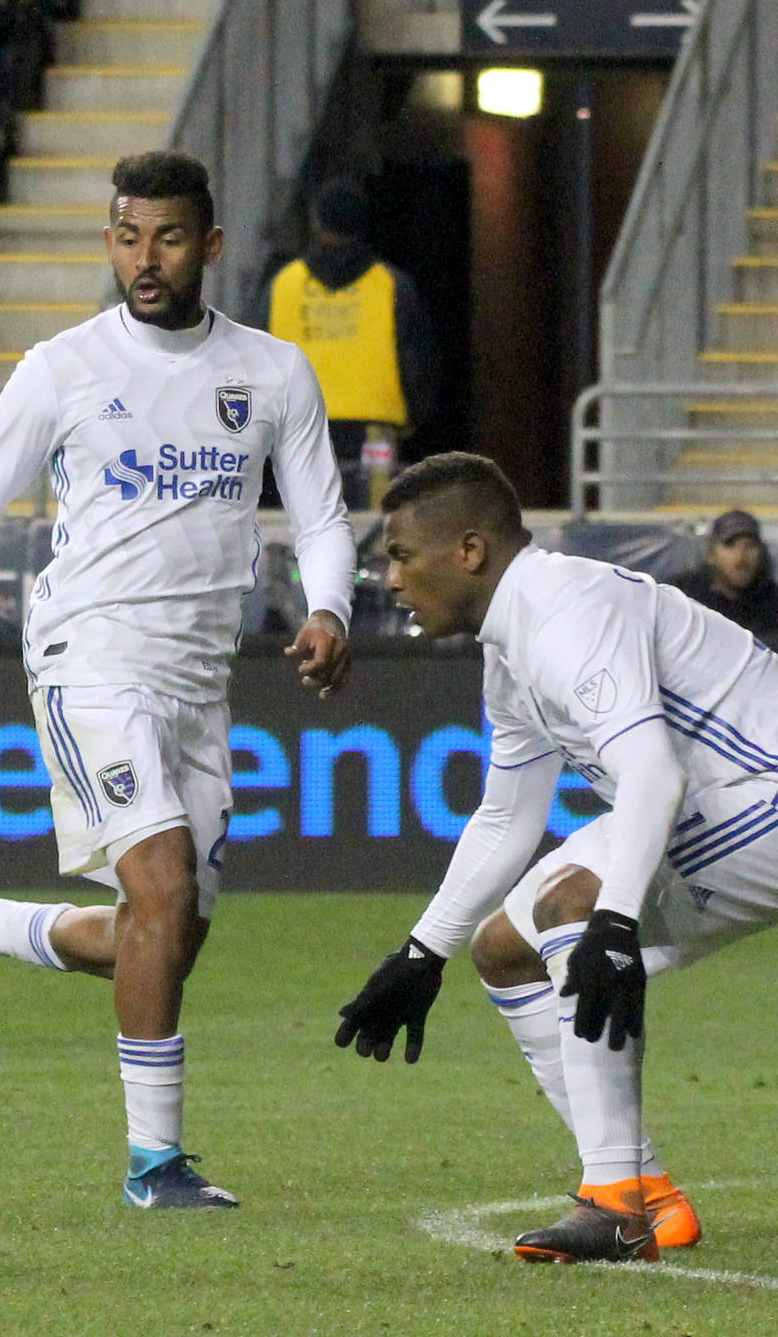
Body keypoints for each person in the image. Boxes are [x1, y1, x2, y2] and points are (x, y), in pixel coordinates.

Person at [0, 151, 355, 1209]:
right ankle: (155, 1165)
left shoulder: (273, 372)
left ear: (209, 245)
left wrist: (329, 607)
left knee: (166, 934)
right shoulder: (61, 368)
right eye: (126, 235)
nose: (144, 258)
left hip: (200, 677)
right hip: (90, 656)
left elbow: (322, 517)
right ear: (108, 240)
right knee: (160, 889)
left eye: (166, 237)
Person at [329, 452, 778, 1262]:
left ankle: (611, 1203)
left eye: (401, 555)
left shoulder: (569, 610)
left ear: (469, 551)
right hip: (719, 799)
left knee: (573, 901)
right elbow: (508, 814)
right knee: (505, 948)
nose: (391, 579)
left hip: (762, 790)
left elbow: (652, 772)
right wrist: (422, 952)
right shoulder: (511, 647)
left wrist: (613, 921)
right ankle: (647, 1193)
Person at [264, 179, 440, 510]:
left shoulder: (282, 285)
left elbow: (250, 360)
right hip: (376, 433)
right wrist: (413, 419)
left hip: (298, 429)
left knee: (305, 524)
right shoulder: (391, 284)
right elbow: (419, 366)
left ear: (317, 224)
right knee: (373, 526)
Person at [666, 510, 778, 646]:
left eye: (749, 546)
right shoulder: (682, 596)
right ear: (711, 554)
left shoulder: (772, 601)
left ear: (761, 552)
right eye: (730, 545)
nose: (740, 558)